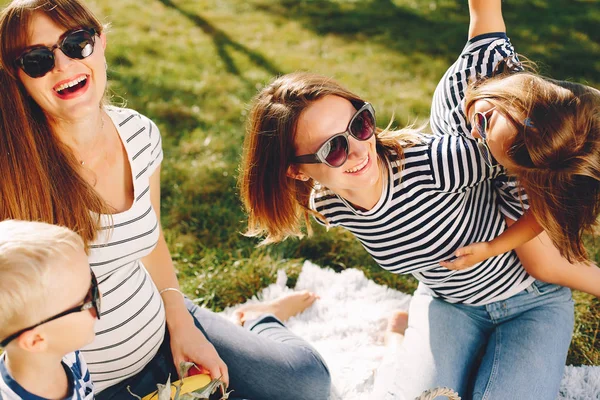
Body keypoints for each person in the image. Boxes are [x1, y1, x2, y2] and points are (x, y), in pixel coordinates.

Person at [238, 0, 587, 397]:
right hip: (449, 306)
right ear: (296, 170)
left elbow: (551, 182)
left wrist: (499, 246)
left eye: (359, 124)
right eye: (332, 148)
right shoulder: (329, 205)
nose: (358, 150)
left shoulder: (443, 164)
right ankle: (398, 340)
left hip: (530, 303)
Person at [0, 1, 331, 399]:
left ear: (100, 41)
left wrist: (182, 325)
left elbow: (152, 242)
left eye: (76, 43)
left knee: (307, 384)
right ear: (17, 77)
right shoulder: (13, 176)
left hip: (164, 332)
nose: (63, 65)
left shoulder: (139, 134)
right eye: (37, 59)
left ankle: (262, 319)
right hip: (93, 388)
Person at [0, 220, 98, 400]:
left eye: (93, 286)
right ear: (36, 340)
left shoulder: (70, 357)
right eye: (86, 301)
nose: (99, 300)